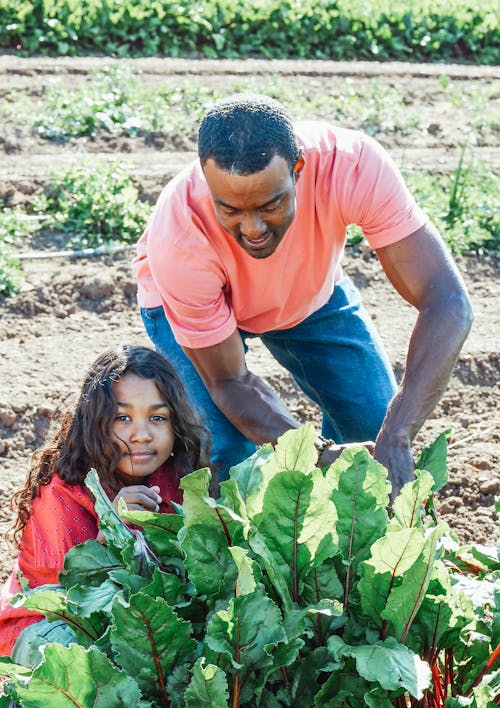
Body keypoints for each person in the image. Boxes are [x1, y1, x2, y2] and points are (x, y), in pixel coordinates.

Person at [134, 93, 473, 493]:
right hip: (195, 305)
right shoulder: (179, 234)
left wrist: (397, 431)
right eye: (231, 210)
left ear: (298, 170)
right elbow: (229, 381)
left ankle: (345, 541)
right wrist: (317, 453)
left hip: (305, 289)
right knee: (227, 458)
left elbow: (447, 301)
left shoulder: (351, 166)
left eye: (270, 204)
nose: (254, 228)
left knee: (371, 424)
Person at [0, 344, 209, 661]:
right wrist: (113, 527)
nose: (141, 434)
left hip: (136, 619)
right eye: (122, 417)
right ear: (94, 423)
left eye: (157, 417)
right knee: (71, 655)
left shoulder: (176, 479)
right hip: (52, 622)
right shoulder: (62, 493)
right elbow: (71, 595)